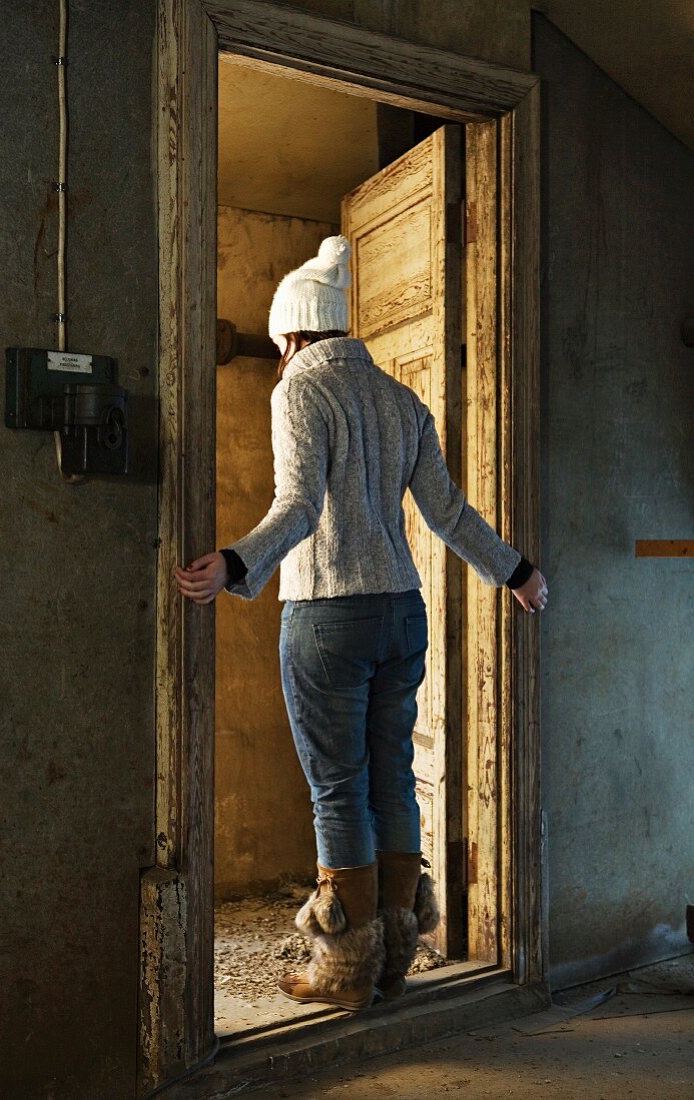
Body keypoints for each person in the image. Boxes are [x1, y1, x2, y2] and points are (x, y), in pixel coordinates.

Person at [174, 235, 548, 1012]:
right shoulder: (400, 400)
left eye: (280, 343)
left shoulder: (298, 392)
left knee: (338, 792)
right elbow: (446, 513)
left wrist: (235, 564)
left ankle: (344, 974)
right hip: (400, 615)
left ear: (292, 335)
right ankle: (392, 961)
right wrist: (516, 570)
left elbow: (300, 507)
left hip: (327, 616)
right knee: (392, 783)